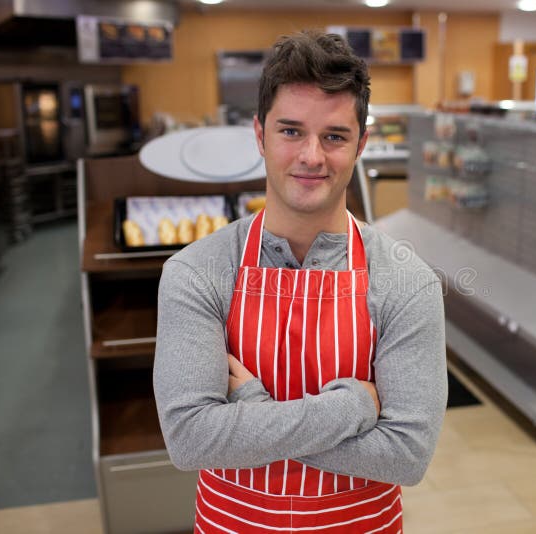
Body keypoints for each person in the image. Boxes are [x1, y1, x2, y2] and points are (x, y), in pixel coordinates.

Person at [154, 30, 447, 533]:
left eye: (334, 136)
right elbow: (191, 440)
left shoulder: (407, 282)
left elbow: (405, 456)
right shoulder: (195, 272)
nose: (312, 155)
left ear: (362, 144)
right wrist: (353, 406)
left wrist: (251, 413)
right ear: (259, 134)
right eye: (291, 131)